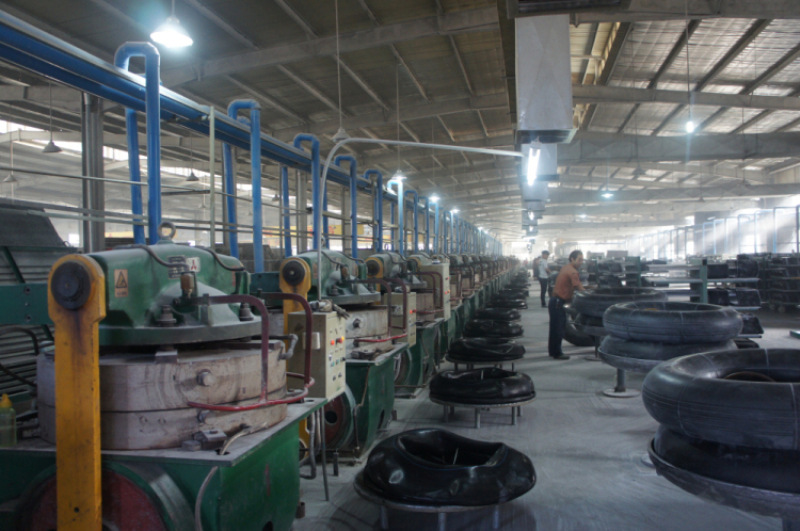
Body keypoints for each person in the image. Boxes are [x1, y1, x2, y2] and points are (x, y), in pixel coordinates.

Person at [548, 250, 586, 360]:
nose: (581, 262)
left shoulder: (565, 268)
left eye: (582, 260)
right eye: (579, 260)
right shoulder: (573, 272)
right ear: (572, 259)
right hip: (558, 302)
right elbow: (579, 287)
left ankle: (553, 351)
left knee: (555, 328)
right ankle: (557, 353)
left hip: (555, 301)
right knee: (559, 329)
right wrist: (590, 296)